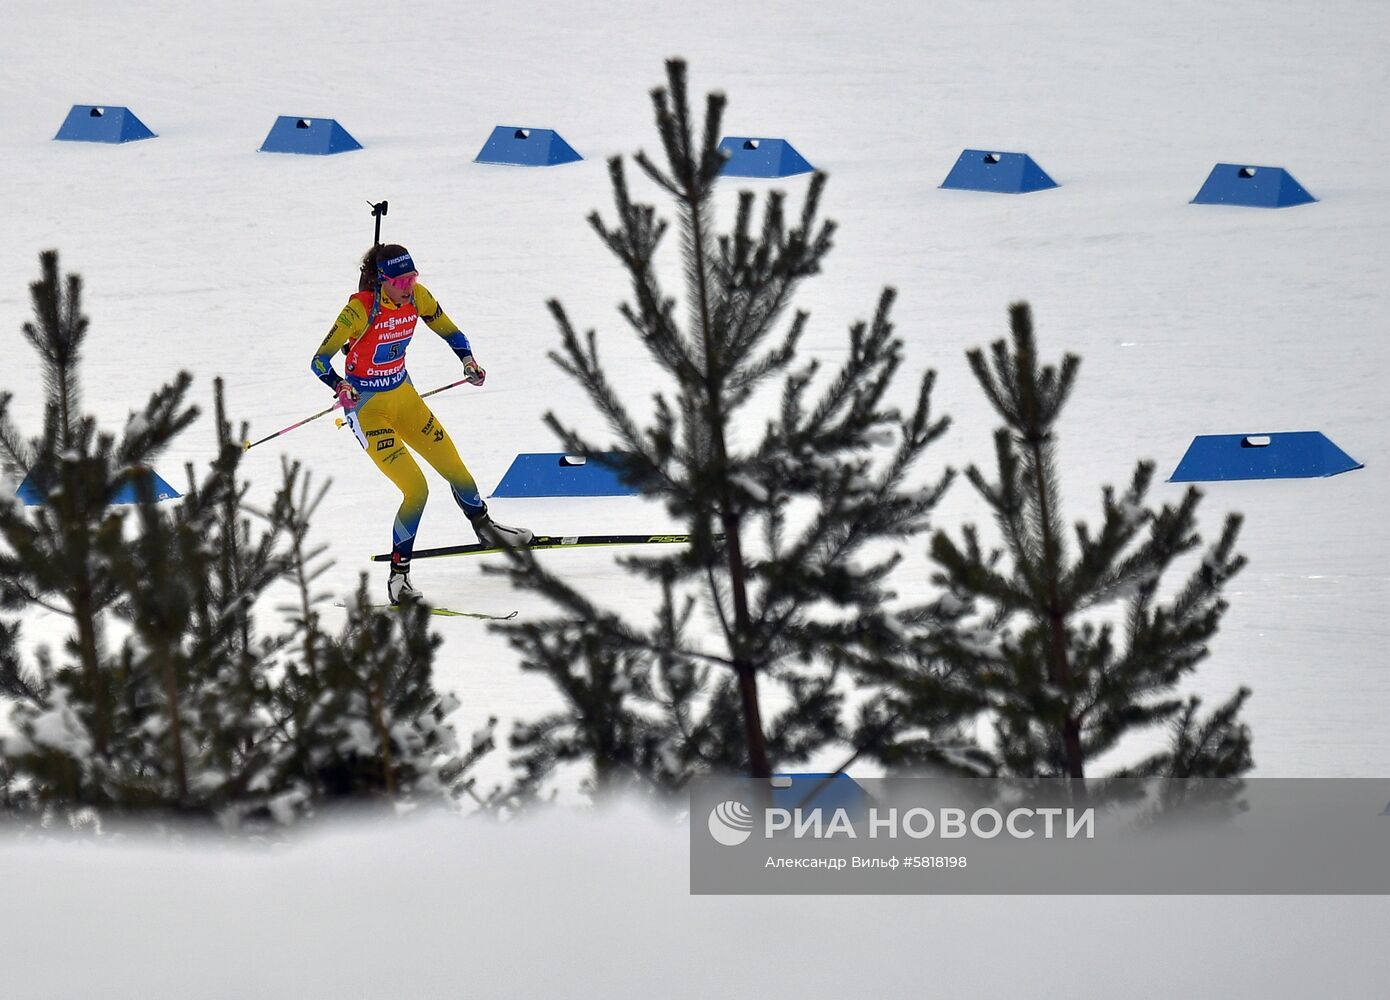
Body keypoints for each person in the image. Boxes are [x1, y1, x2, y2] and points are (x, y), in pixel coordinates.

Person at [310, 243, 531, 604]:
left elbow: (452, 332)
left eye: (412, 277)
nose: (408, 285)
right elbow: (319, 360)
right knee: (416, 490)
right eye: (400, 280)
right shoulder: (359, 310)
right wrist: (340, 384)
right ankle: (399, 579)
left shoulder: (418, 297)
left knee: (456, 469)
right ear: (384, 280)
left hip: (404, 398)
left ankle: (486, 528)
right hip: (369, 412)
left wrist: (468, 362)